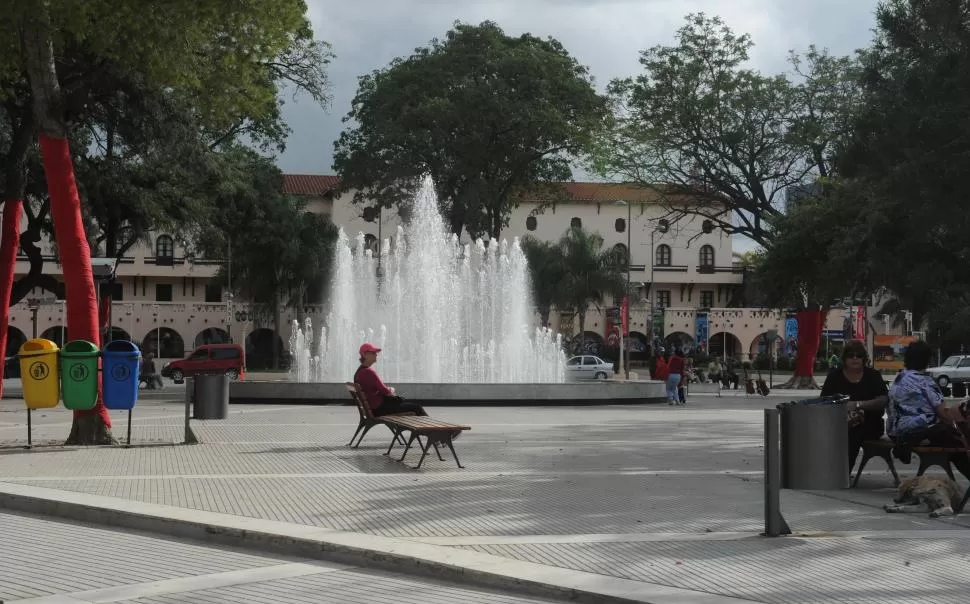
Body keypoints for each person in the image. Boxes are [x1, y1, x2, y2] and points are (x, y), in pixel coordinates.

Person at [888, 340, 970, 479]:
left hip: (895, 432)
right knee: (957, 443)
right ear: (927, 360)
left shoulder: (900, 378)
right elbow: (943, 413)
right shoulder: (925, 382)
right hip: (919, 429)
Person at [820, 339, 888, 469]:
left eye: (859, 355)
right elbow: (824, 401)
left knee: (855, 430)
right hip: (839, 421)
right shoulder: (835, 376)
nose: (855, 358)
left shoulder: (873, 375)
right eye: (850, 355)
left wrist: (858, 405)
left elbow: (883, 400)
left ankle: (843, 472)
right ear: (844, 358)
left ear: (864, 358)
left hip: (870, 424)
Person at [353, 343, 428, 417]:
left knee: (410, 405)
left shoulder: (359, 372)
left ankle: (428, 428)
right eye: (373, 353)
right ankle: (431, 428)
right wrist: (392, 389)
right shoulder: (368, 372)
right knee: (417, 408)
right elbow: (386, 391)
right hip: (380, 409)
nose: (376, 355)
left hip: (373, 409)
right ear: (365, 355)